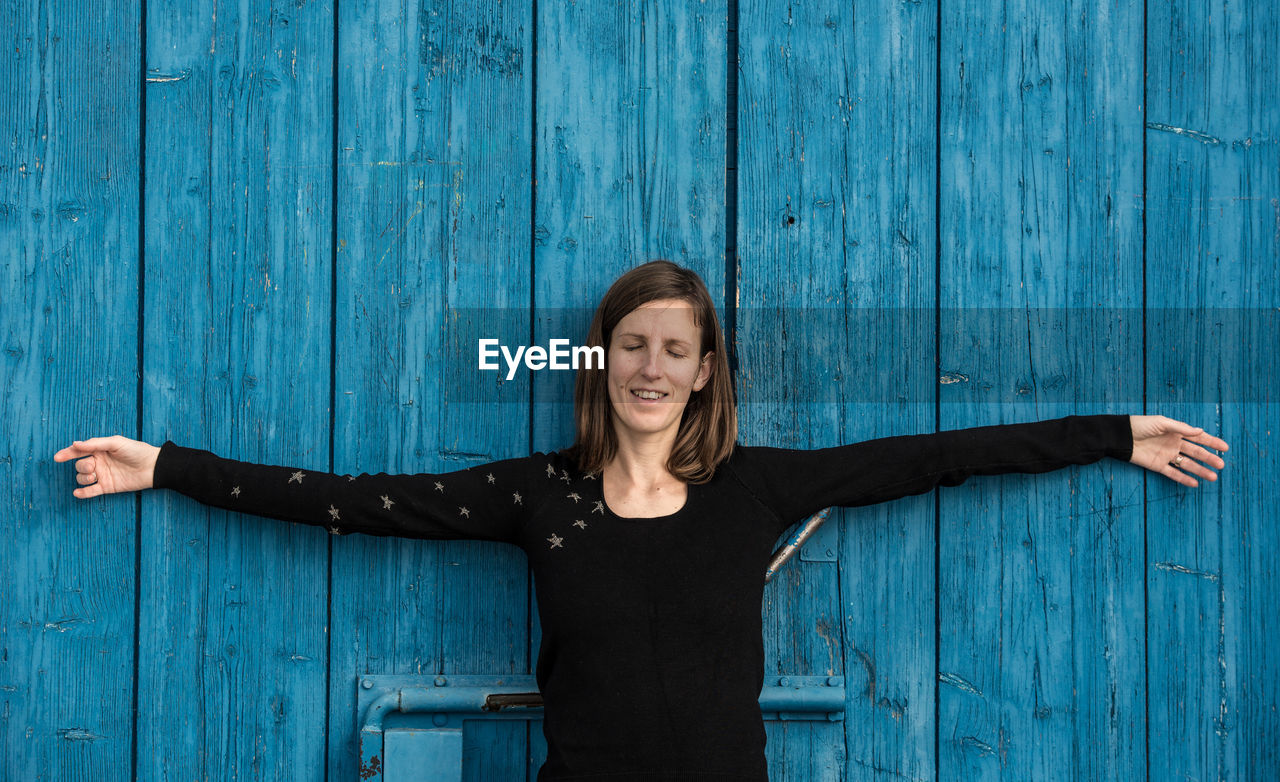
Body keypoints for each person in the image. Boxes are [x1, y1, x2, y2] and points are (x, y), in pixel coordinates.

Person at [54, 260, 1228, 781]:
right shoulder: (537, 494)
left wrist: (1113, 432)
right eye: (633, 346)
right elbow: (353, 500)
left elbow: (940, 455)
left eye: (676, 349)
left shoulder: (758, 489)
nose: (651, 367)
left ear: (706, 369)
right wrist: (165, 464)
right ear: (601, 359)